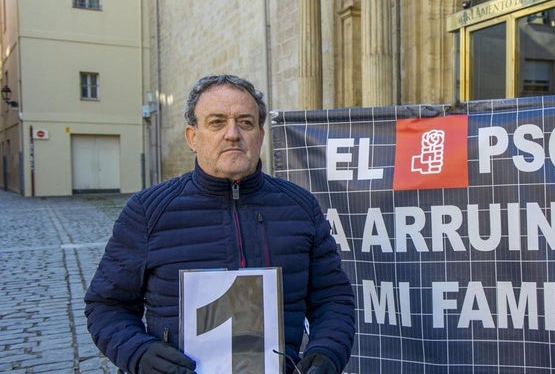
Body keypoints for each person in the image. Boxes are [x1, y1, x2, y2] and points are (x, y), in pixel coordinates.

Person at [85, 74, 356, 374]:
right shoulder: (148, 211)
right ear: (192, 137)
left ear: (261, 135)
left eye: (246, 122)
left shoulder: (300, 207)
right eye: (217, 122)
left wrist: (327, 351)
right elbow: (106, 305)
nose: (232, 133)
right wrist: (138, 353)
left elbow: (333, 298)